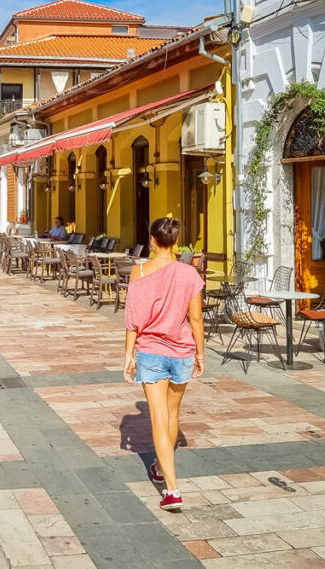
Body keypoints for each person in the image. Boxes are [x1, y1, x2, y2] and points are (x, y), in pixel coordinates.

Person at [123, 217, 204, 512]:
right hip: (182, 350)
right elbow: (196, 318)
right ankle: (160, 465)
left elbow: (133, 319)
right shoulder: (190, 274)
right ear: (176, 241)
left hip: (152, 350)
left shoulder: (139, 271)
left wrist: (129, 354)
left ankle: (172, 490)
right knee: (171, 415)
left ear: (152, 240)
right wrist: (201, 353)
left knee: (159, 419)